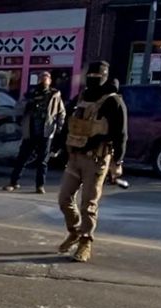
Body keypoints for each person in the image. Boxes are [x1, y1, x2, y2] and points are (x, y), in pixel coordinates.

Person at [57, 61, 127, 263]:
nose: (93, 80)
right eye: (91, 77)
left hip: (96, 159)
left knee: (89, 203)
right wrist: (60, 148)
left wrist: (118, 161)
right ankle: (75, 231)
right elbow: (69, 125)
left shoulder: (113, 102)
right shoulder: (82, 97)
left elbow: (121, 134)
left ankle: (85, 242)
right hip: (75, 157)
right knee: (64, 199)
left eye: (97, 77)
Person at [3, 71, 66, 194]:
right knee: (22, 158)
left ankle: (40, 185)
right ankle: (14, 182)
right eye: (42, 78)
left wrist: (58, 127)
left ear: (50, 80)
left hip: (46, 131)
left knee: (43, 161)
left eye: (46, 78)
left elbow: (61, 112)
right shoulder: (31, 94)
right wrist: (27, 104)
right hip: (30, 131)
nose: (44, 80)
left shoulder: (54, 95)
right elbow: (19, 108)